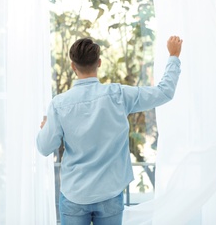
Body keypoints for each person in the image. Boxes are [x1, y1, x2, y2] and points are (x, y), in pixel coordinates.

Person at [37, 35, 183, 225]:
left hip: (75, 195)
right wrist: (174, 56)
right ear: (99, 63)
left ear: (73, 66)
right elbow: (164, 92)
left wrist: (47, 128)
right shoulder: (119, 95)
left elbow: (44, 147)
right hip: (110, 195)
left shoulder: (59, 105)